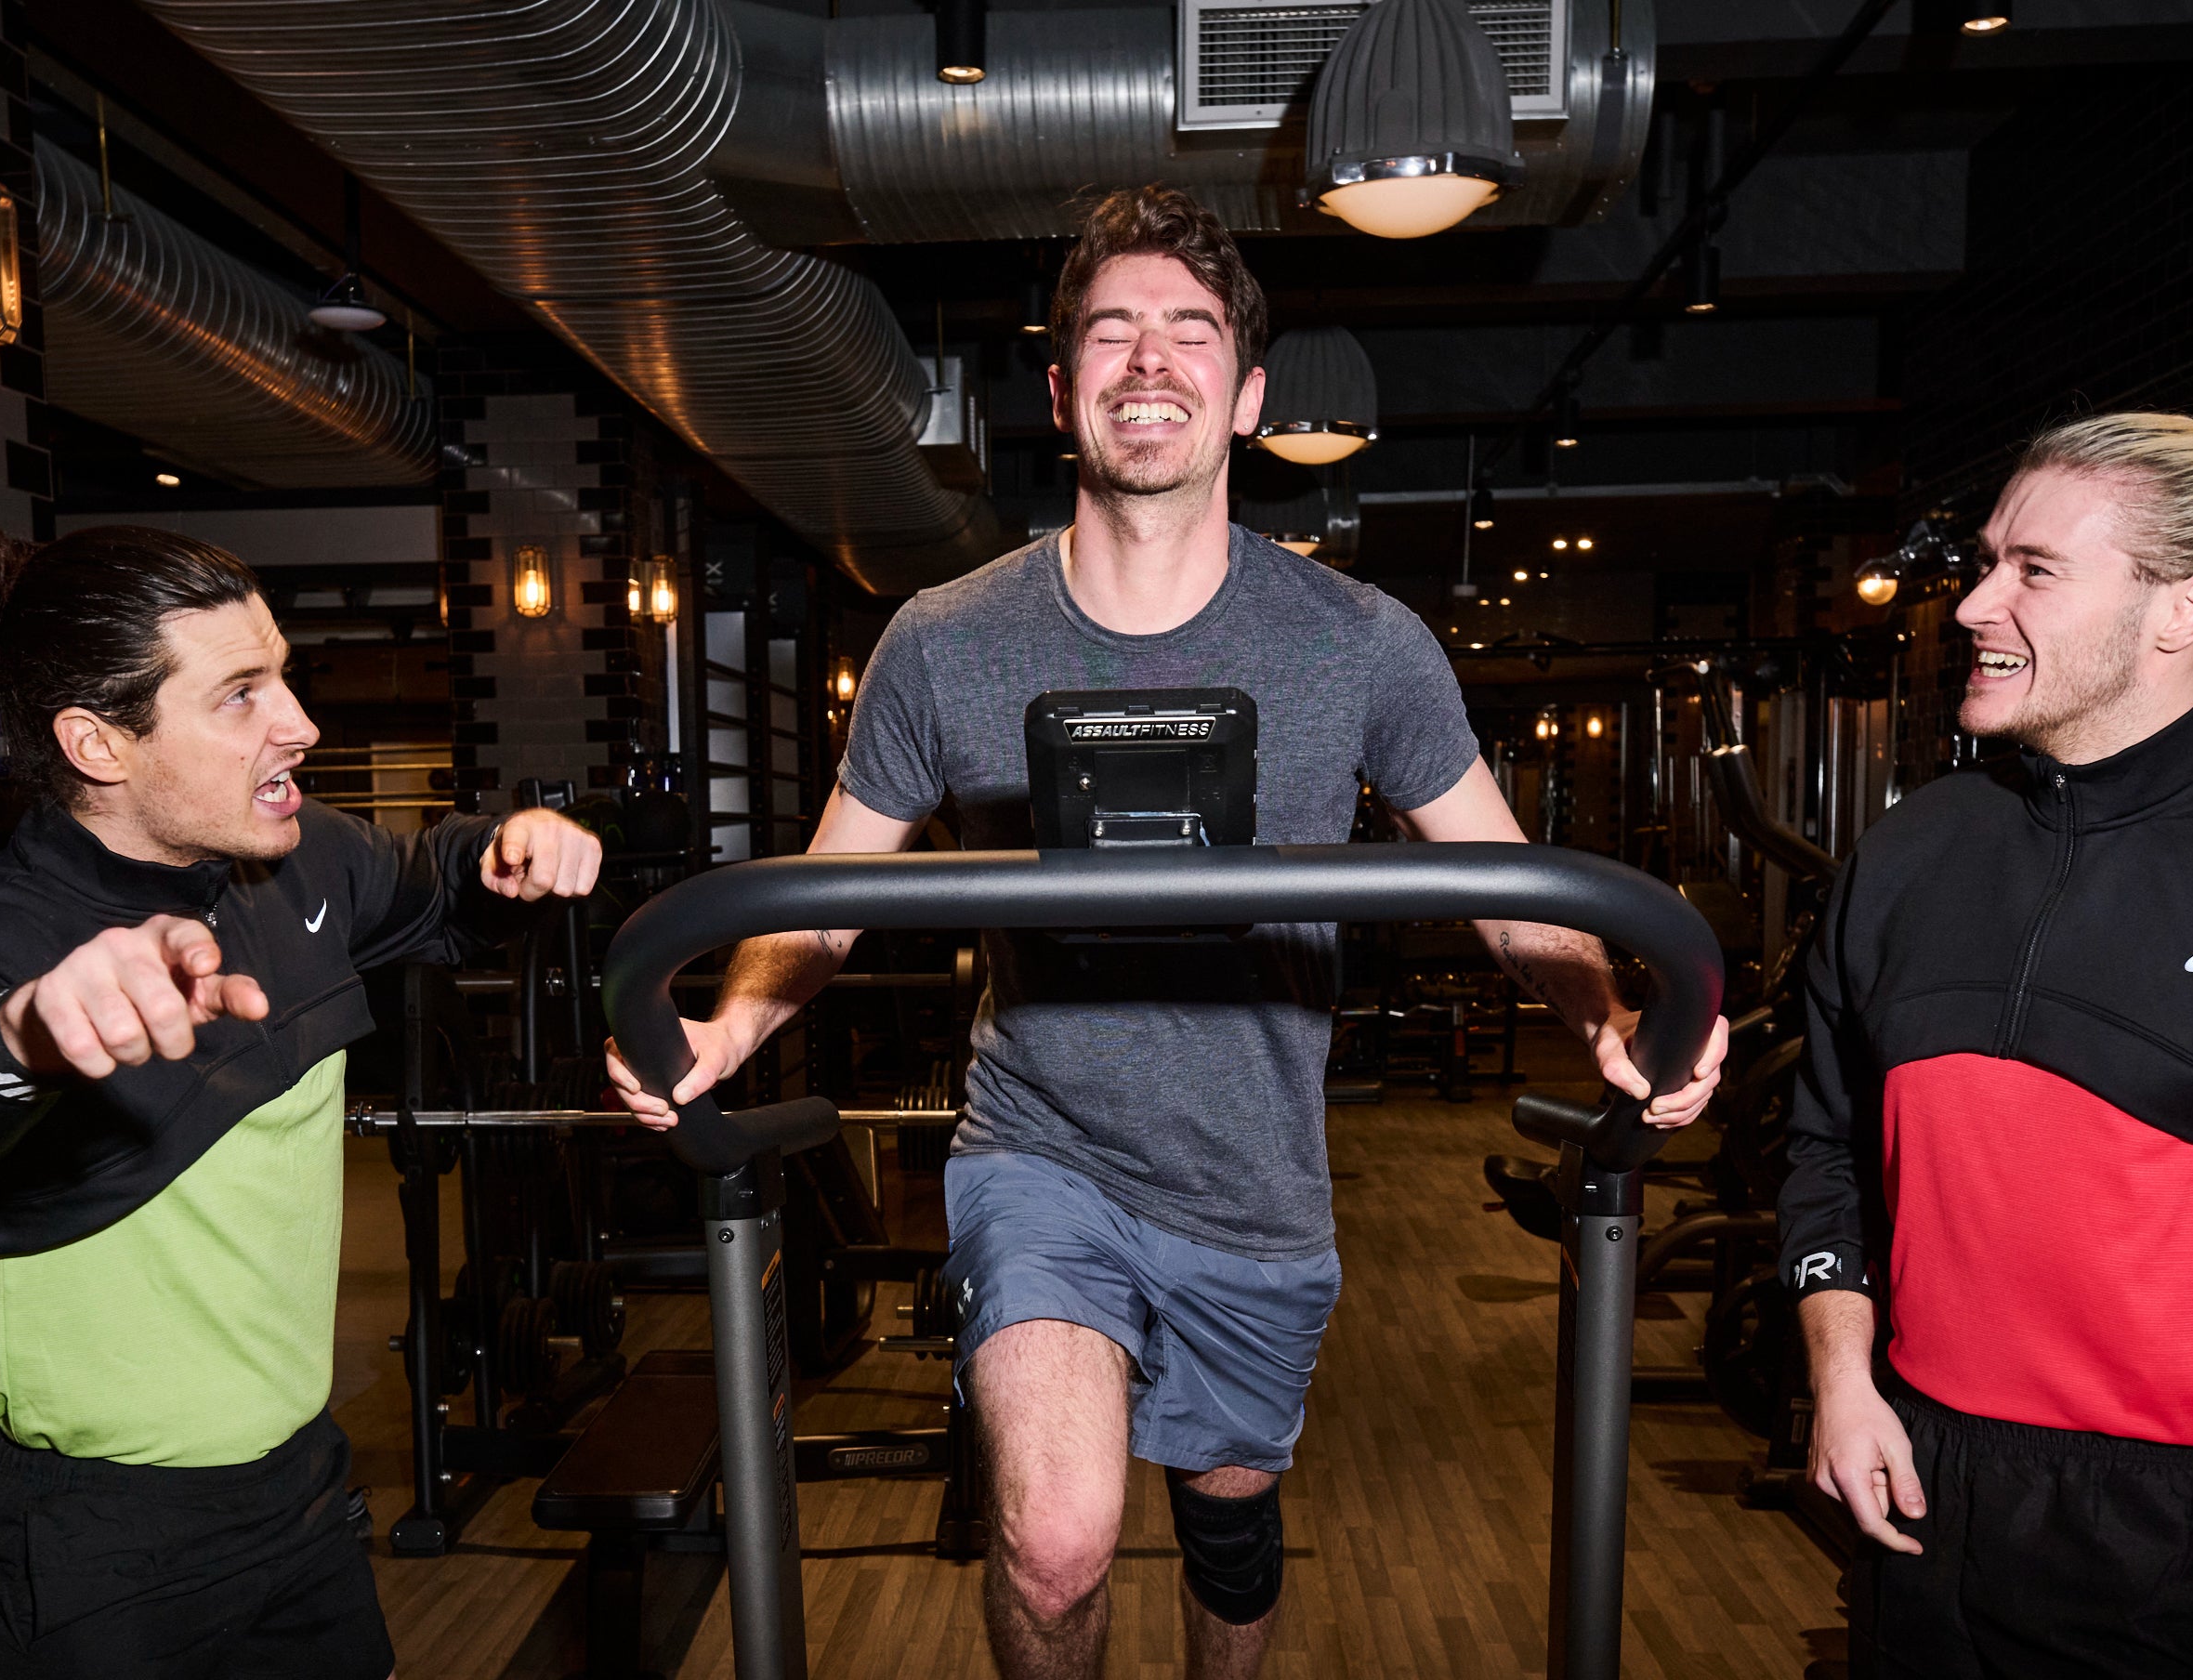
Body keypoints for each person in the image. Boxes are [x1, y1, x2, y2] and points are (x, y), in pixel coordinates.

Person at [609, 182, 1727, 1680]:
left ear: (1248, 395)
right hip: (1042, 1152)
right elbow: (831, 894)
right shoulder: (945, 641)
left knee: (1229, 1523)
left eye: (1190, 332)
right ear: (1060, 390)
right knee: (1055, 1540)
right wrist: (728, 1024)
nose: (1150, 360)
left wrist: (1614, 1022)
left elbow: (1509, 885)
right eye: (1112, 331)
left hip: (1257, 1185)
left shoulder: (1360, 646)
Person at [1778, 412, 2193, 1679]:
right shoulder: (1915, 852)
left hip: (2192, 1528)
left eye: (2034, 569)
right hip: (1921, 1484)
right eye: (1988, 561)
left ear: (2183, 609)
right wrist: (1843, 1379)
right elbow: (1828, 1147)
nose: (1976, 604)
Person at [0, 525, 602, 1680]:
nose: (300, 723)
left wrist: (502, 853)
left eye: (282, 674)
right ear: (98, 743)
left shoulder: (299, 862)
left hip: (299, 1493)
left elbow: (431, 885)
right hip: (95, 1543)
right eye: (240, 694)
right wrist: (23, 1033)